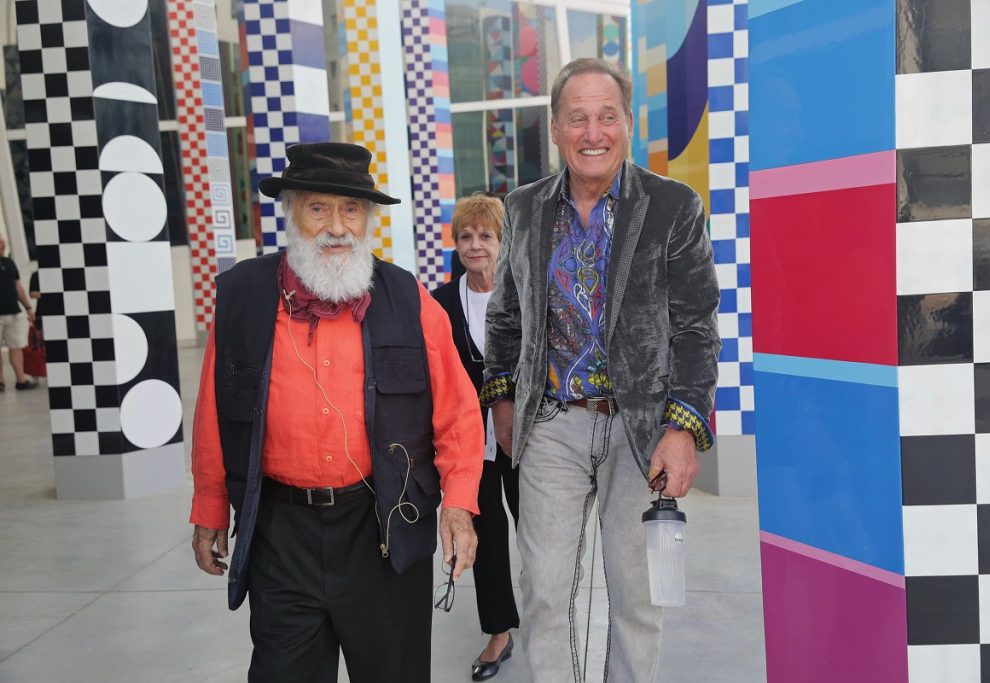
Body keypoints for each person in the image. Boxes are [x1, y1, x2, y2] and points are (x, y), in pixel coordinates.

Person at [189, 142, 483, 683]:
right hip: (281, 533)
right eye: (318, 208)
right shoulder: (241, 298)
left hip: (385, 526)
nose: (337, 226)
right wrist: (209, 506)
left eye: (351, 209)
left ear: (369, 218)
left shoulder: (409, 298)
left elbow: (459, 415)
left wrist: (459, 505)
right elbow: (215, 412)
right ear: (292, 213)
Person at [481, 58, 721, 682]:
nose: (594, 132)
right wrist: (505, 405)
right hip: (552, 427)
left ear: (629, 124)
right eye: (579, 118)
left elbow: (697, 328)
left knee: (638, 599)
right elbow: (504, 321)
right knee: (543, 593)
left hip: (640, 433)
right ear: (557, 129)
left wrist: (684, 428)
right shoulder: (524, 209)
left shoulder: (673, 207)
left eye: (607, 116)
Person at [432, 194, 519, 681]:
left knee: (540, 530)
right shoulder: (441, 302)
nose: (475, 245)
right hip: (470, 442)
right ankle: (500, 630)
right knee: (486, 536)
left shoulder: (524, 291)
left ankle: (550, 614)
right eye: (466, 236)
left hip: (527, 435)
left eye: (485, 235)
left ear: (502, 242)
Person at [0, 234, 37, 391]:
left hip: (13, 312)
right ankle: (0, 382)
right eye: (0, 243)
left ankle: (20, 380)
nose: (3, 246)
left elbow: (18, 287)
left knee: (16, 346)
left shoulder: (9, 263)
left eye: (3, 243)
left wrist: (28, 308)